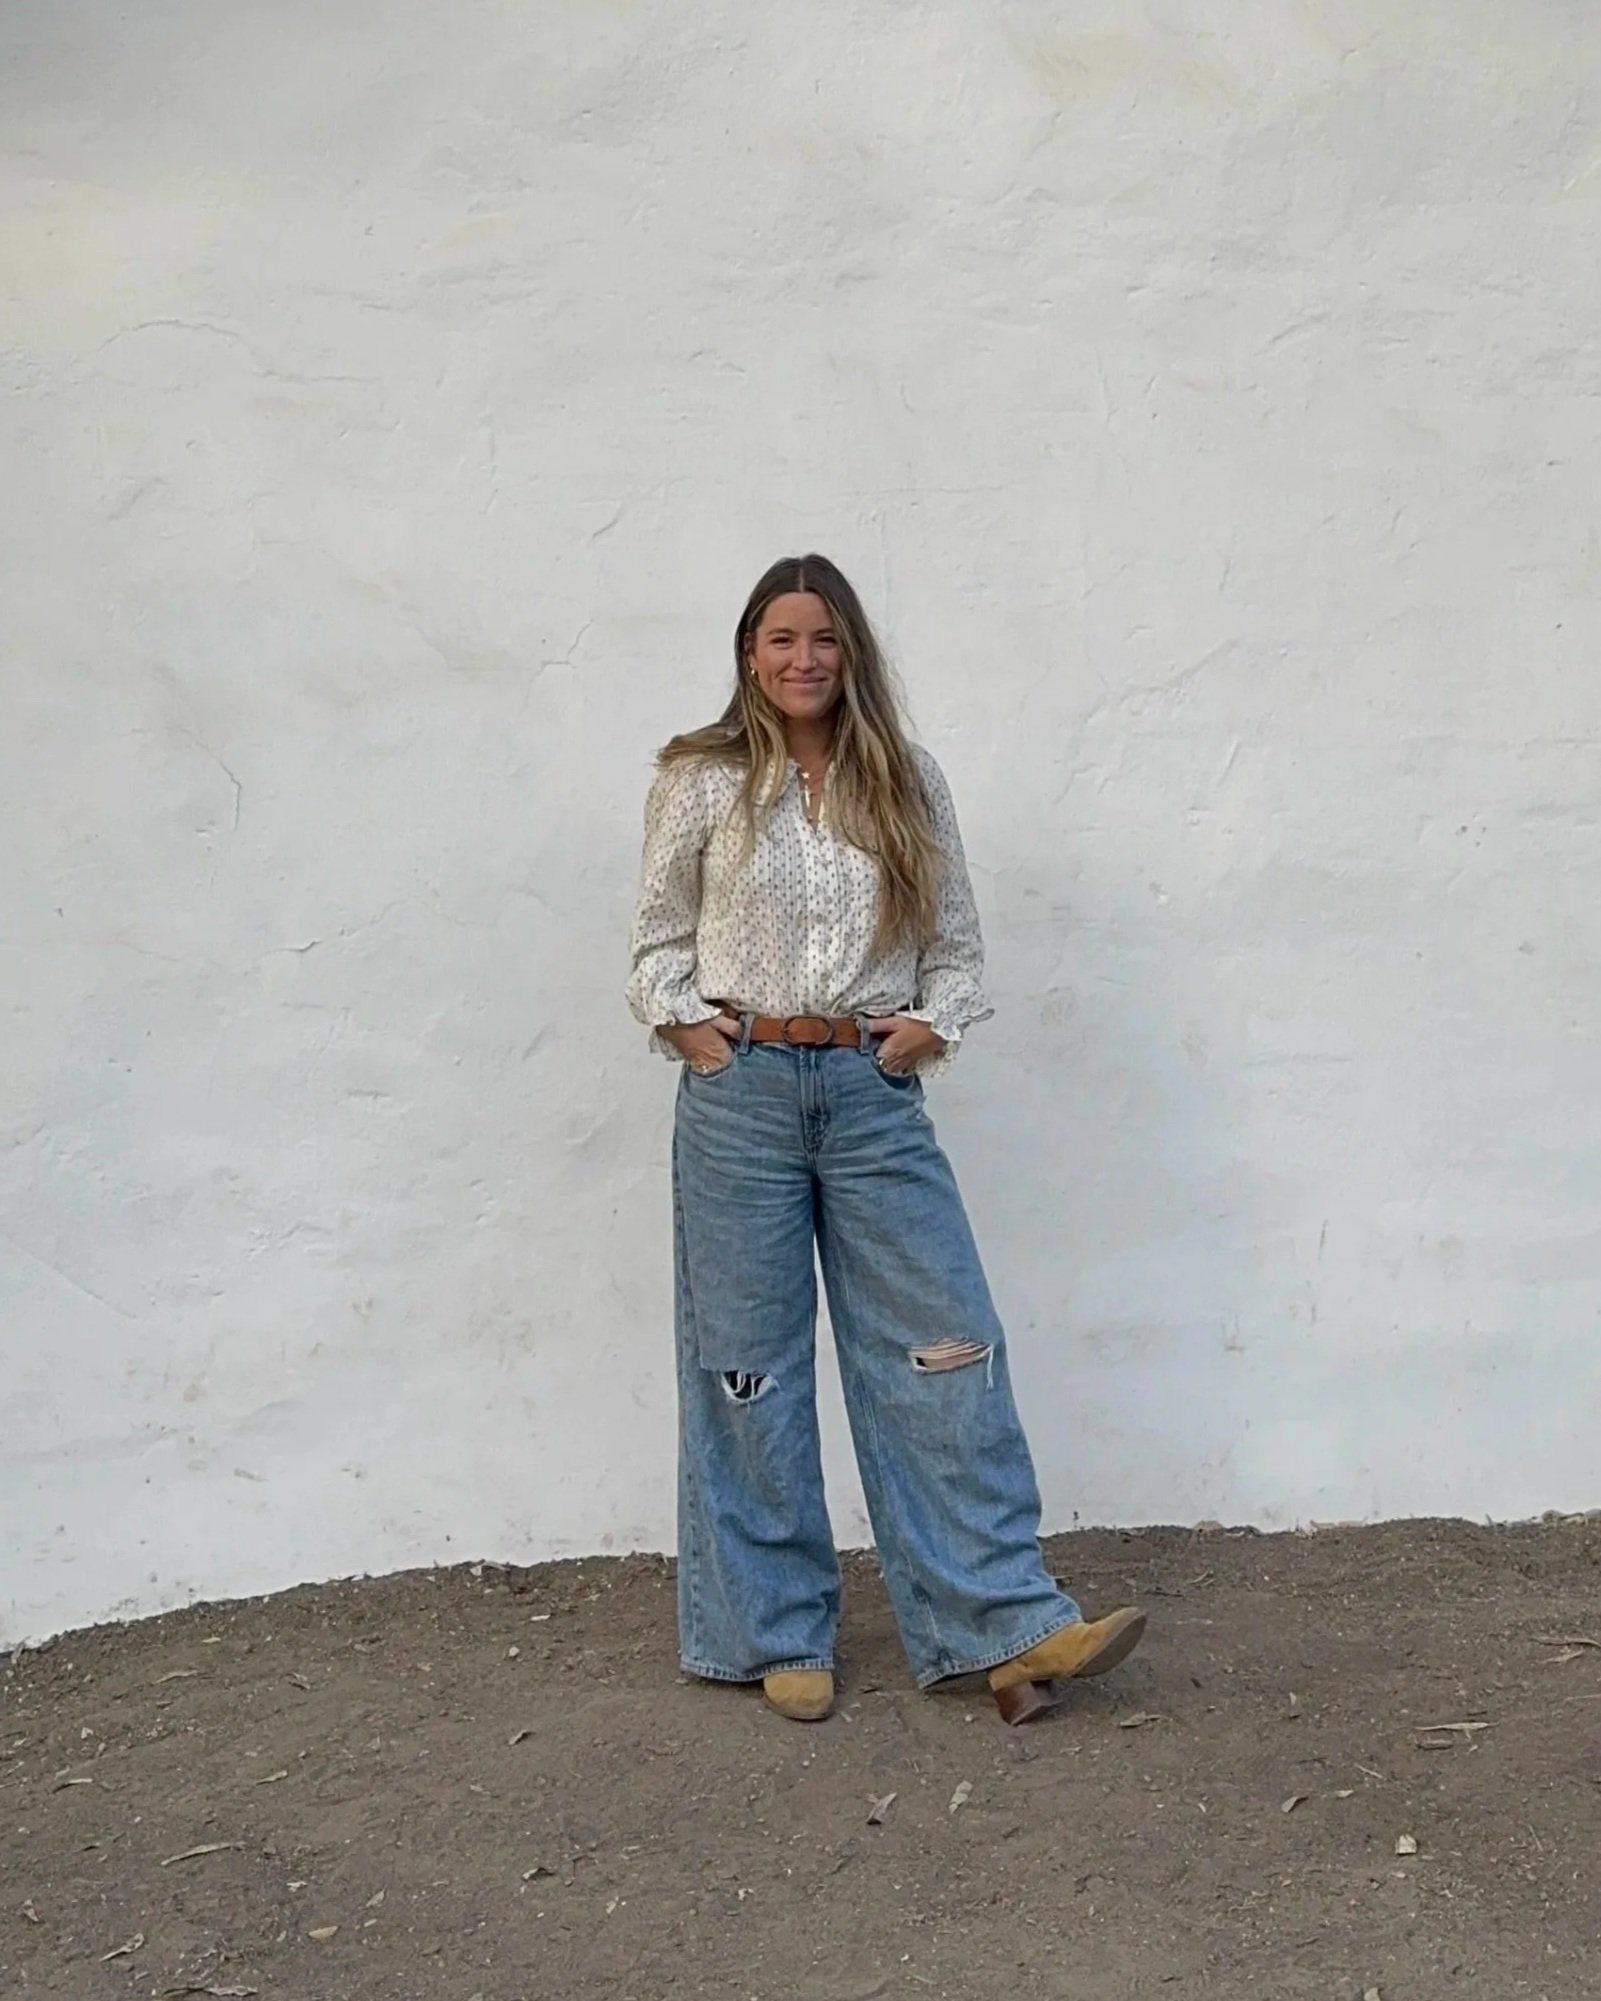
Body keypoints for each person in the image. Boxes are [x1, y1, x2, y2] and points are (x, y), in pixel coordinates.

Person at [626, 554, 1146, 1725]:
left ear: (850, 651)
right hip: (741, 1096)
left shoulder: (905, 779)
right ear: (748, 653)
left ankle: (1005, 1626)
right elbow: (656, 939)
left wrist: (928, 1028)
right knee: (747, 1368)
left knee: (943, 1346)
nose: (802, 659)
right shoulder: (701, 781)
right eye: (780, 639)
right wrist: (691, 1030)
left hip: (869, 1094)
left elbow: (953, 941)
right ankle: (772, 1632)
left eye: (823, 638)